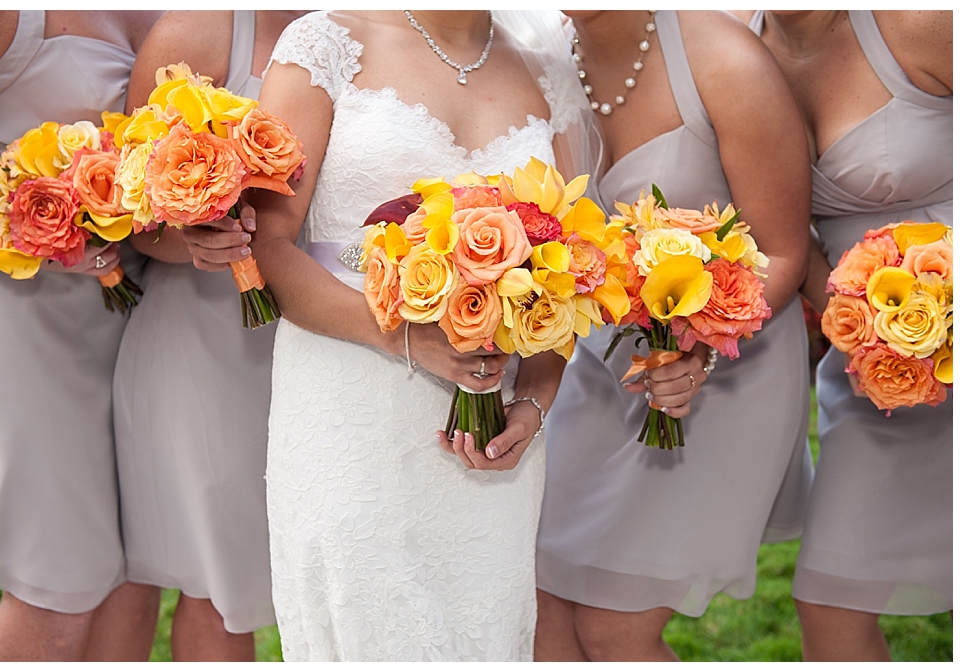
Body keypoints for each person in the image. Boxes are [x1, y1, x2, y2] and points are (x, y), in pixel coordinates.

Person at [186, 9, 587, 661]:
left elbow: (568, 269)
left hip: (489, 448)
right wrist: (407, 339)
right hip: (351, 416)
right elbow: (272, 245)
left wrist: (535, 401)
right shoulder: (326, 44)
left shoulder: (546, 68)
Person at [533, 10, 814, 661]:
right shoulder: (543, 63)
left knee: (614, 628)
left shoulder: (723, 61)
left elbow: (783, 253)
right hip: (604, 374)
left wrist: (695, 352)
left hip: (730, 373)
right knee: (540, 596)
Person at [741, 10, 952, 661]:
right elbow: (780, 236)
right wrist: (862, 321)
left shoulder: (919, 24)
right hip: (873, 372)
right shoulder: (736, 53)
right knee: (831, 601)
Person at [110, 10, 309, 662]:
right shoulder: (199, 33)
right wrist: (194, 235)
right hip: (209, 342)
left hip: (328, 344)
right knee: (218, 584)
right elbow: (132, 216)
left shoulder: (377, 30)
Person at [0, 9, 162, 661]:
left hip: (139, 319)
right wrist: (25, 225)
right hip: (20, 319)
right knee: (55, 588)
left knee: (132, 582)